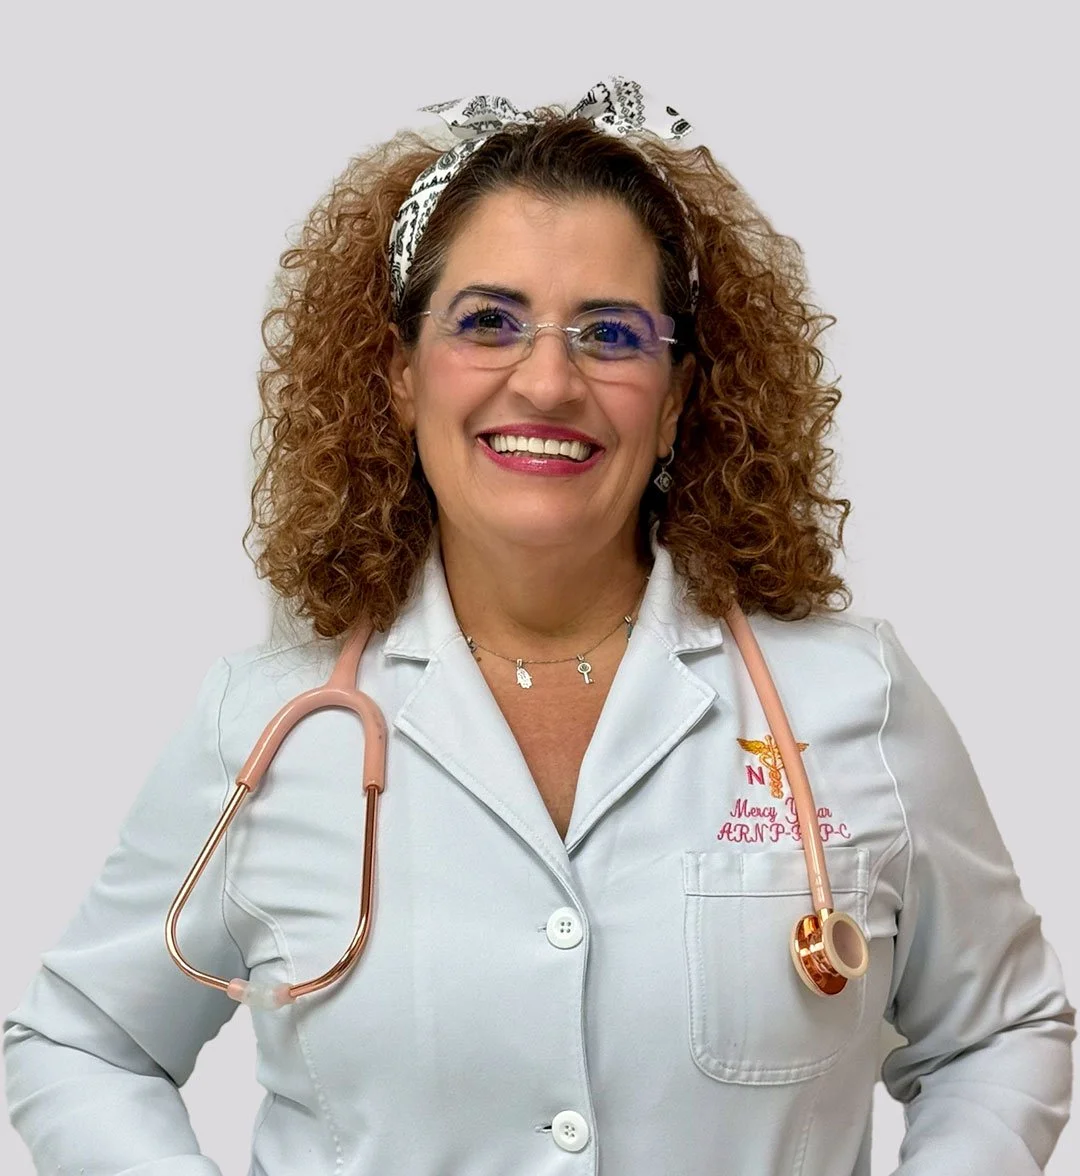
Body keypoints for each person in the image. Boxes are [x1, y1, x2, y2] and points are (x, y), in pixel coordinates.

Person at [3, 76, 1073, 1175]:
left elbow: (1002, 1033)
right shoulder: (266, 726)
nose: (549, 380)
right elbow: (82, 1042)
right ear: (398, 377)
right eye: (488, 322)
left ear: (677, 400)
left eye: (611, 333)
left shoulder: (855, 704)